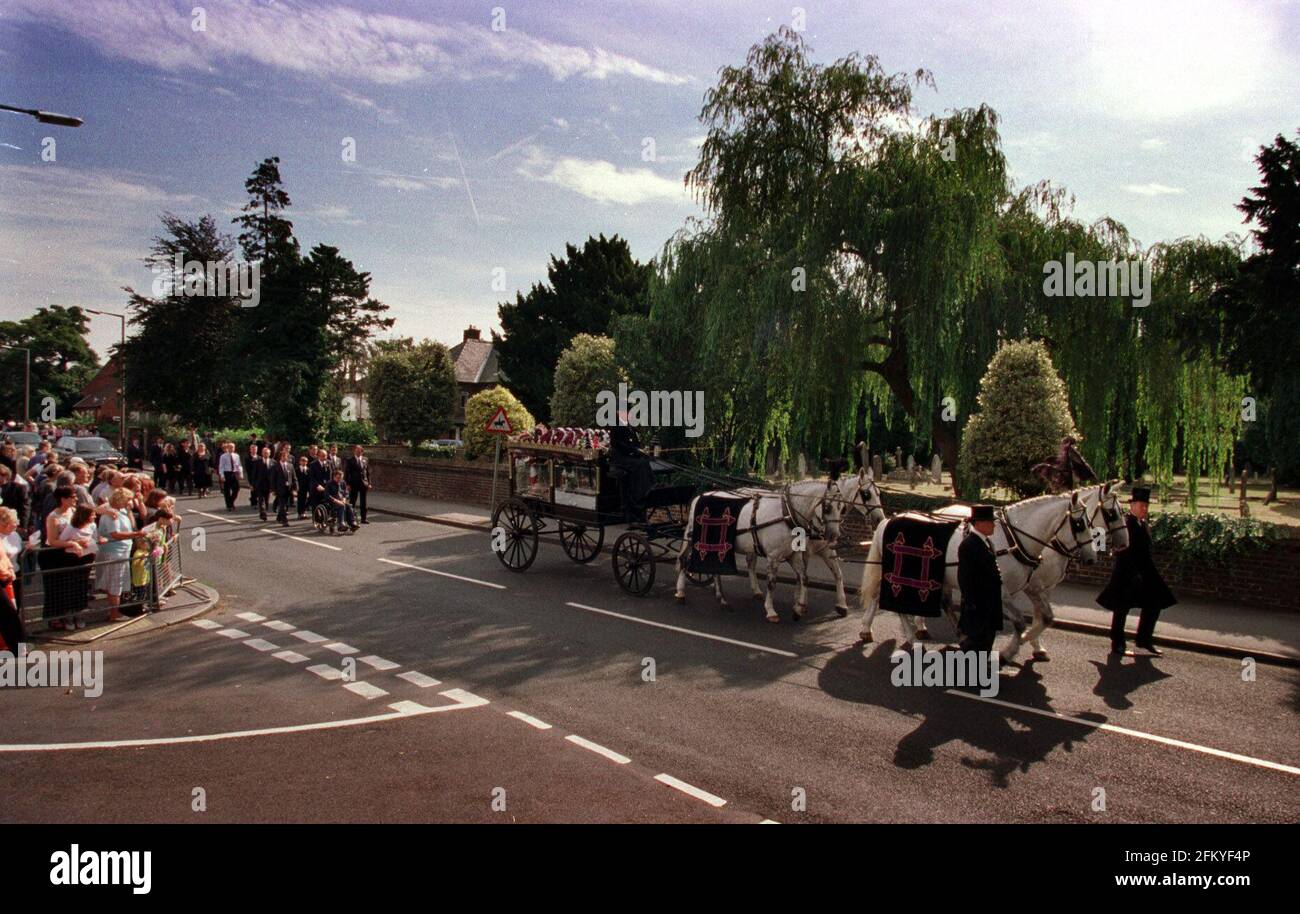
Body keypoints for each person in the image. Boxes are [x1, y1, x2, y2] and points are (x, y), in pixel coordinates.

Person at [1097, 486, 1176, 657]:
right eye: (1141, 506)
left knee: (1154, 604)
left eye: (1146, 506)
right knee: (1122, 609)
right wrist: (1133, 573)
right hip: (1127, 573)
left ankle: (1144, 640)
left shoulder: (1142, 523)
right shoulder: (1126, 524)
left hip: (1144, 573)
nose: (1144, 509)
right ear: (1132, 505)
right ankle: (1117, 644)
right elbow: (1120, 549)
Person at [956, 504, 1004, 655]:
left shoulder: (987, 542)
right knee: (976, 644)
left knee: (987, 642)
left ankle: (978, 672)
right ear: (978, 524)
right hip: (978, 607)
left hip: (990, 605)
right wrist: (970, 604)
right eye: (990, 522)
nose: (994, 525)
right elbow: (964, 578)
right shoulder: (968, 545)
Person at [96, 488, 143, 622]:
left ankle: (115, 611)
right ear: (120, 499)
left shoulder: (122, 511)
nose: (131, 501)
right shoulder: (111, 514)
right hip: (114, 552)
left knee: (119, 582)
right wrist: (137, 534)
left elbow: (131, 526)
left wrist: (128, 511)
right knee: (115, 583)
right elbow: (115, 534)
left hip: (122, 551)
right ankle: (114, 614)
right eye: (128, 499)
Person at [609, 414, 654, 523]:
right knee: (640, 464)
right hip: (621, 459)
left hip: (631, 457)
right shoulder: (615, 426)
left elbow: (635, 443)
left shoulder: (630, 426)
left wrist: (642, 450)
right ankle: (639, 497)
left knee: (645, 462)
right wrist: (636, 451)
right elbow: (619, 445)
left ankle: (649, 487)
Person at [1032, 435, 1099, 493]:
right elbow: (1080, 462)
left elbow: (1080, 462)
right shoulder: (1066, 451)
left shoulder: (1067, 451)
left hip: (1067, 473)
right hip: (1066, 474)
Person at [0, 507, 23, 651]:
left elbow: (3, 558)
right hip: (3, 578)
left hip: (6, 578)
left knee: (9, 613)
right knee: (8, 612)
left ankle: (17, 647)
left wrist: (8, 570)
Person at [268, 447, 295, 527]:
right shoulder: (275, 467)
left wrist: (295, 488)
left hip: (288, 489)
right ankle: (284, 521)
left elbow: (294, 478)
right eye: (283, 456)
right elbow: (272, 479)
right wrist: (273, 489)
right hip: (279, 489)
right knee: (282, 505)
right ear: (280, 457)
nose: (284, 458)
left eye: (285, 456)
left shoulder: (290, 466)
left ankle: (279, 517)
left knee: (286, 505)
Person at [344, 444, 371, 524]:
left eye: (360, 451)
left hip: (364, 483)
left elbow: (368, 472)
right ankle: (350, 518)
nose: (358, 452)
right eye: (357, 451)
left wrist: (369, 483)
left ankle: (364, 518)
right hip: (353, 483)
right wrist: (347, 484)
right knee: (352, 501)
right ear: (354, 451)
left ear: (362, 451)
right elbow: (347, 473)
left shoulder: (365, 459)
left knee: (364, 502)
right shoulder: (350, 460)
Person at [326, 469, 357, 533]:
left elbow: (346, 492)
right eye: (338, 478)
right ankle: (341, 524)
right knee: (342, 506)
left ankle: (352, 523)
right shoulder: (329, 483)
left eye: (341, 478)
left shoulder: (343, 483)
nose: (339, 479)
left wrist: (344, 498)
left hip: (341, 500)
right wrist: (336, 501)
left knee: (349, 506)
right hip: (332, 502)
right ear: (334, 477)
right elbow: (327, 495)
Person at [218, 442, 243, 512]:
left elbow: (239, 465)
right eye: (230, 447)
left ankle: (231, 501)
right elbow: (221, 466)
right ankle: (229, 505)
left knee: (237, 488)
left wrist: (240, 473)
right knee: (227, 490)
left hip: (234, 473)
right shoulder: (223, 456)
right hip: (227, 473)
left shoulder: (236, 456)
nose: (231, 449)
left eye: (233, 447)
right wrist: (222, 475)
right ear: (227, 448)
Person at [250, 446, 271, 521]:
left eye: (267, 453)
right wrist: (252, 484)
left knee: (267, 499)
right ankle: (263, 513)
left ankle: (264, 511)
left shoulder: (273, 462)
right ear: (262, 453)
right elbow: (254, 474)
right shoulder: (257, 462)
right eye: (265, 453)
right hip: (259, 484)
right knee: (261, 499)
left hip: (268, 485)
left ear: (270, 454)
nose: (266, 454)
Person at [295, 455, 311, 519]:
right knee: (300, 500)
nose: (304, 462)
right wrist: (295, 488)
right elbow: (295, 479)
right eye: (303, 461)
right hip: (299, 487)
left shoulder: (309, 470)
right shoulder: (297, 470)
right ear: (300, 462)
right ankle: (300, 513)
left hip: (307, 488)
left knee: (306, 500)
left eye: (306, 461)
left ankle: (303, 512)